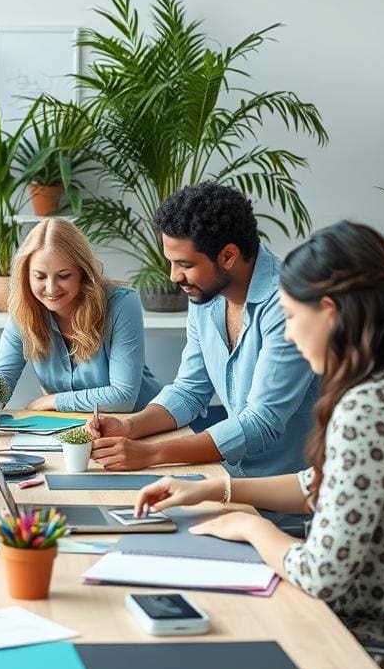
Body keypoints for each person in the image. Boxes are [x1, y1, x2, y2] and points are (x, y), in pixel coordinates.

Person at [133, 221, 384, 669]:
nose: (287, 332)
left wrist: (248, 527)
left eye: (288, 315)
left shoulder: (368, 405)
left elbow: (319, 573)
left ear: (328, 311)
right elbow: (322, 483)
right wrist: (215, 489)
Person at [87, 182, 317, 477]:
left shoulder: (288, 304)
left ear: (229, 256)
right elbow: (189, 391)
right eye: (171, 262)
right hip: (225, 480)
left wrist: (151, 453)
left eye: (184, 264)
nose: (173, 276)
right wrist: (130, 427)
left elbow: (262, 422)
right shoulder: (206, 293)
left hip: (287, 500)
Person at [0, 218, 160, 419]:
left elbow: (123, 397)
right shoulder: (23, 311)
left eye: (64, 276)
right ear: (26, 275)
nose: (52, 288)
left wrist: (53, 401)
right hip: (72, 428)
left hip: (142, 426)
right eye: (39, 276)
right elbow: (0, 385)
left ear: (82, 272)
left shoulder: (122, 303)